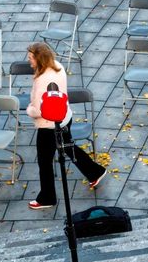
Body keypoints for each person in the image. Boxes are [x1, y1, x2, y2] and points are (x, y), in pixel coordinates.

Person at [25, 42, 107, 210]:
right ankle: (95, 171)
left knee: (45, 161)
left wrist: (29, 110)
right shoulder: (58, 67)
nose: (29, 62)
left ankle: (47, 197)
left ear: (39, 59)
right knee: (68, 147)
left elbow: (41, 110)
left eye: (31, 58)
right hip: (64, 116)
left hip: (48, 125)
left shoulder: (42, 79)